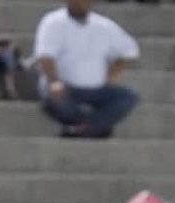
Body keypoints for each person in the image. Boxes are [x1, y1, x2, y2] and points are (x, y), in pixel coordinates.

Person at [33, 0, 140, 138]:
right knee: (55, 100)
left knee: (127, 98)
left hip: (96, 89)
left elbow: (130, 52)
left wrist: (111, 75)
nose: (80, 3)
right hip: (64, 88)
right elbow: (45, 56)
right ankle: (97, 126)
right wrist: (54, 81)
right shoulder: (52, 22)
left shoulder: (104, 26)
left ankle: (83, 128)